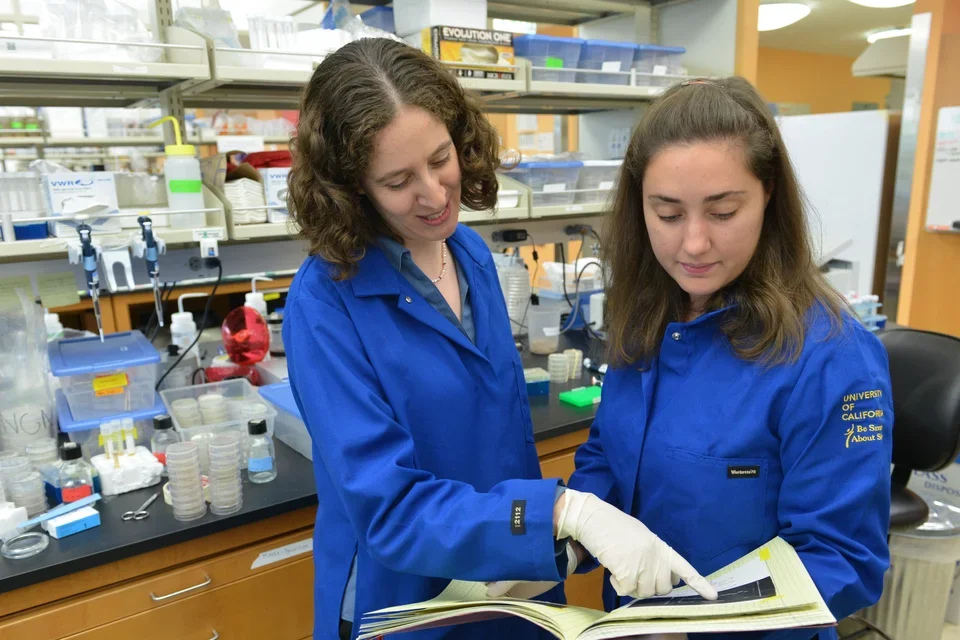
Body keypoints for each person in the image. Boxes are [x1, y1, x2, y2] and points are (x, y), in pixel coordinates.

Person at [283, 39, 716, 640]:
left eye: (440, 159)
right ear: (352, 186)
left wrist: (545, 540)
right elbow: (388, 508)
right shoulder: (325, 304)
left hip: (513, 577)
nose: (435, 194)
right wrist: (560, 511)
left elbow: (499, 432)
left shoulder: (469, 254)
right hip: (407, 600)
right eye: (398, 180)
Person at [559, 77, 893, 640]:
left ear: (768, 196)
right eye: (668, 215)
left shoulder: (832, 358)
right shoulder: (648, 317)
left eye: (723, 212)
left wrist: (690, 628)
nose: (693, 243)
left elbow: (843, 560)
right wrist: (570, 541)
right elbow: (610, 458)